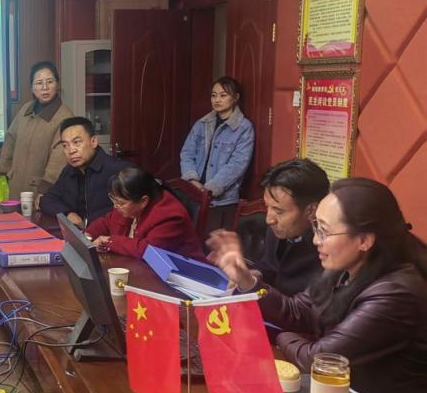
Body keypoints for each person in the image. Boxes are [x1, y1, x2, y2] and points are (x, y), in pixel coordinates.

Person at [208, 178, 427, 393]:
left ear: (364, 240)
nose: (315, 240)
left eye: (324, 231)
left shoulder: (397, 293)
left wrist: (281, 336)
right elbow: (298, 310)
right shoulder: (347, 266)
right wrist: (247, 280)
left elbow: (319, 360)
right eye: (316, 227)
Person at [212, 158, 329, 295]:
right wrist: (255, 275)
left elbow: (299, 306)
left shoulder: (328, 251)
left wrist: (249, 284)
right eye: (267, 207)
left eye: (279, 211)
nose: (269, 220)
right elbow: (270, 267)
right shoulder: (277, 230)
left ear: (311, 210)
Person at [179, 77, 255, 232]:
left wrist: (209, 189)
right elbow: (187, 152)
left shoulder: (244, 128)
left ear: (235, 97)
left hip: (222, 201)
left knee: (212, 242)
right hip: (193, 194)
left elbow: (238, 164)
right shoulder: (202, 123)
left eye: (223, 95)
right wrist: (192, 180)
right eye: (213, 95)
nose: (217, 100)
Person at [87, 166, 205, 261]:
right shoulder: (129, 203)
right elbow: (107, 222)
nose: (115, 206)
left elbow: (148, 251)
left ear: (143, 201)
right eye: (114, 200)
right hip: (142, 267)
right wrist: (86, 236)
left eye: (120, 203)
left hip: (184, 275)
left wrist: (108, 242)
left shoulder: (169, 215)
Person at [0, 61, 74, 198]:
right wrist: (2, 172)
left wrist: (45, 188)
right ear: (32, 88)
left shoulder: (65, 117)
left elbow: (59, 159)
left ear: (57, 84)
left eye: (50, 82)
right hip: (14, 185)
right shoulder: (26, 109)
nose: (45, 87)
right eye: (39, 83)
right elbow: (10, 139)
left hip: (41, 191)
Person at [39, 116, 129, 226]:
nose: (71, 150)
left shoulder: (119, 170)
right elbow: (46, 200)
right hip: (77, 233)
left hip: (107, 234)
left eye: (77, 142)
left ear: (94, 141)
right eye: (65, 145)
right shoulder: (69, 171)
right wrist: (68, 214)